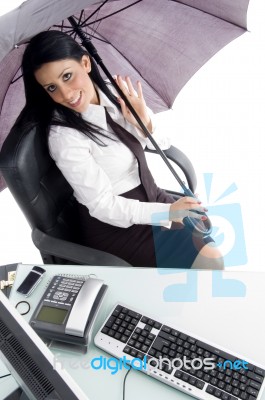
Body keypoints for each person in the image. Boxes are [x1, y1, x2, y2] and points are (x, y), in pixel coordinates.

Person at [13, 30, 223, 269]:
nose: (66, 94)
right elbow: (102, 205)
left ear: (85, 62)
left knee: (211, 259)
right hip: (118, 228)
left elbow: (162, 144)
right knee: (207, 269)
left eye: (68, 76)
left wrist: (143, 121)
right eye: (51, 88)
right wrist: (166, 213)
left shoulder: (115, 93)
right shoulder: (65, 136)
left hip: (153, 196)